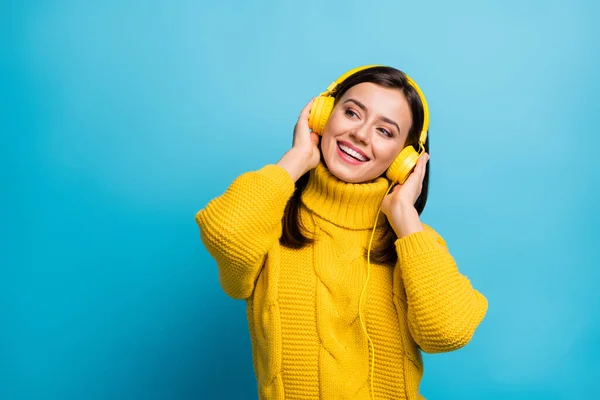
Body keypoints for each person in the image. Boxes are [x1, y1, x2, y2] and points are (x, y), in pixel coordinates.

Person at [195, 65, 488, 400]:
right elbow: (225, 233)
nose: (361, 134)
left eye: (385, 132)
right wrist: (298, 157)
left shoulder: (415, 243)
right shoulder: (268, 220)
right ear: (322, 115)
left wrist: (405, 216)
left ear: (405, 159)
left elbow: (448, 332)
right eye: (352, 113)